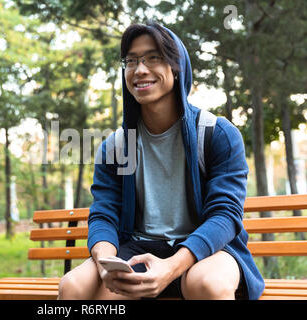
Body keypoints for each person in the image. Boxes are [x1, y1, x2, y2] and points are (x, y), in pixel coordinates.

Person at [58, 21, 265, 300]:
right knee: (74, 287)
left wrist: (172, 267)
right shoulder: (117, 146)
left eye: (153, 58)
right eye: (131, 61)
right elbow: (104, 213)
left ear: (177, 68)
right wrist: (107, 262)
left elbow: (225, 215)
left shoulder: (217, 134)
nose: (140, 69)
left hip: (209, 252)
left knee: (205, 284)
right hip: (139, 248)